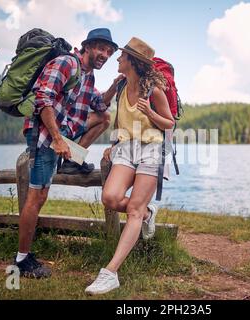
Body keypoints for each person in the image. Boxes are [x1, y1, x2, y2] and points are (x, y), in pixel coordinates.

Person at [14, 28, 123, 278]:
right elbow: (43, 99)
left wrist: (114, 87)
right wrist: (57, 138)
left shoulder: (88, 75)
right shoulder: (66, 63)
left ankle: (73, 161)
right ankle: (22, 259)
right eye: (101, 48)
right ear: (87, 46)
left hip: (63, 134)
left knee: (104, 118)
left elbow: (99, 105)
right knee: (37, 196)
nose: (105, 55)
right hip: (45, 134)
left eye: (109, 51)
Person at [85, 37, 175, 295]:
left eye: (122, 56)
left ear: (132, 62)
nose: (117, 58)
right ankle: (147, 214)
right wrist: (113, 144)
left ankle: (110, 272)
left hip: (151, 149)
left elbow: (169, 123)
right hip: (126, 147)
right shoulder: (123, 87)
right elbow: (118, 121)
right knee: (110, 198)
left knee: (133, 209)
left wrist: (151, 114)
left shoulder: (154, 91)